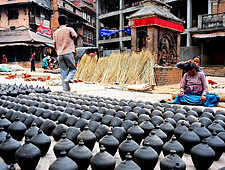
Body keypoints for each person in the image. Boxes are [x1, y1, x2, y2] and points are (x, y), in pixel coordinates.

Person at [53, 14, 77, 91]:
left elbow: (54, 44)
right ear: (66, 22)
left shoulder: (55, 33)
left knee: (63, 71)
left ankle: (66, 90)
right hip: (68, 52)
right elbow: (75, 36)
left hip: (60, 54)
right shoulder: (69, 29)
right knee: (73, 69)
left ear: (58, 22)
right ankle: (68, 79)